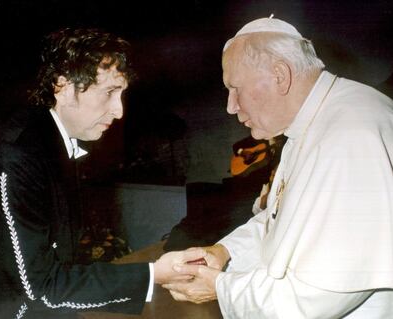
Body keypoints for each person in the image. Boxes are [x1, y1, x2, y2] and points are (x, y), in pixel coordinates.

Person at [163, 17, 393, 318]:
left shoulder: (350, 135)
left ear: (279, 76)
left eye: (235, 89)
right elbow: (283, 222)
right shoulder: (313, 123)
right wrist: (225, 252)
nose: (230, 107)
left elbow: (317, 297)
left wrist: (222, 287)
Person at [0, 28, 206, 319]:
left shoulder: (49, 143)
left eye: (121, 94)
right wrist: (152, 275)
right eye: (109, 92)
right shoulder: (14, 157)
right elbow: (42, 289)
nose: (119, 111)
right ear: (63, 86)